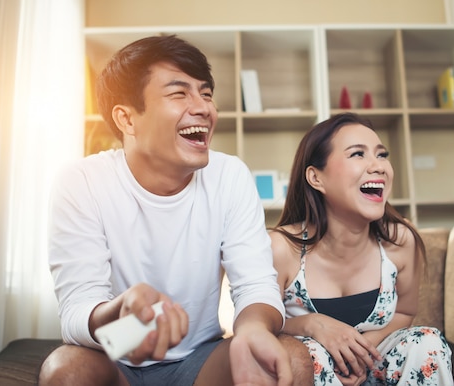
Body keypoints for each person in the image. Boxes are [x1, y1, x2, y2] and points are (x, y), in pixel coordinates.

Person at [39, 34, 312, 386]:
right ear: (127, 119)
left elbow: (256, 285)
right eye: (179, 93)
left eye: (206, 93)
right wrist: (121, 315)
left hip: (201, 356)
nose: (203, 108)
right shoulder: (81, 181)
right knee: (65, 371)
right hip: (114, 352)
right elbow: (77, 309)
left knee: (291, 357)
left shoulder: (229, 176)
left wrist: (254, 330)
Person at [269, 113, 454, 386]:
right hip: (313, 370)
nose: (378, 166)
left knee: (427, 342)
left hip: (374, 359)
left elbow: (404, 311)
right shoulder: (281, 247)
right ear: (316, 177)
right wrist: (314, 325)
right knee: (307, 355)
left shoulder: (401, 241)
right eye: (358, 154)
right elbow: (258, 324)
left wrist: (359, 352)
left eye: (382, 155)